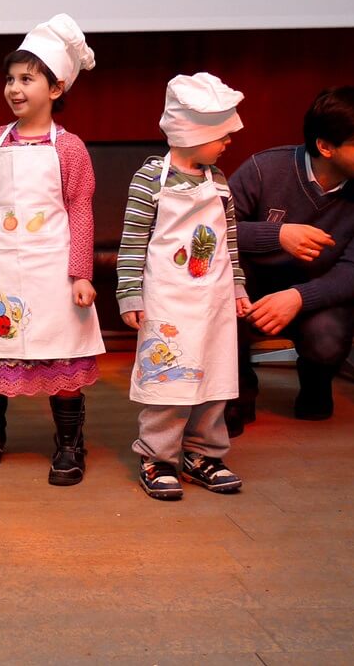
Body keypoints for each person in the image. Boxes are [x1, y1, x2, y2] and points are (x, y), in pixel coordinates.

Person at [0, 14, 103, 485]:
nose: (14, 88)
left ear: (56, 88)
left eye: (27, 79)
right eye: (10, 79)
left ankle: (70, 442)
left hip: (54, 273)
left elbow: (80, 209)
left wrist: (81, 273)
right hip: (1, 268)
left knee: (62, 353)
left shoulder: (70, 148)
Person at [229, 86, 354, 434]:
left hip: (319, 290)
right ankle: (238, 395)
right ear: (325, 147)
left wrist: (298, 297)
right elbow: (210, 232)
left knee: (326, 340)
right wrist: (278, 235)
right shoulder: (264, 168)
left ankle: (316, 383)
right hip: (250, 285)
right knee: (222, 304)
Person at [117, 73, 252, 499]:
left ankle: (203, 453)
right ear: (192, 133)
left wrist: (238, 287)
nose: (228, 141)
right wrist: (129, 294)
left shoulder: (219, 181)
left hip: (213, 300)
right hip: (167, 301)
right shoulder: (149, 180)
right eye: (221, 135)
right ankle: (157, 457)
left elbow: (229, 242)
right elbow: (133, 241)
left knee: (214, 378)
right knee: (169, 382)